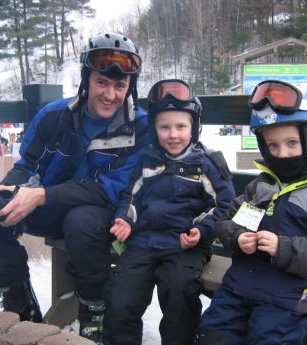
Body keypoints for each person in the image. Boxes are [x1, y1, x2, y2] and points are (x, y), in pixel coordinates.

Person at [0, 32, 148, 343]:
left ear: (130, 88)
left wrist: (41, 195)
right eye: (102, 82)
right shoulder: (53, 115)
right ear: (86, 80)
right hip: (49, 206)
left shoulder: (140, 127)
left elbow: (112, 189)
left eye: (120, 86)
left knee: (82, 220)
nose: (110, 94)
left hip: (105, 215)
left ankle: (94, 316)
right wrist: (11, 189)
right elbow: (27, 165)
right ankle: (20, 305)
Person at [197, 80, 307, 345]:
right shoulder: (261, 186)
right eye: (273, 146)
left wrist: (282, 247)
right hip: (238, 287)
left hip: (288, 296)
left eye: (291, 143)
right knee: (212, 335)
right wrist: (237, 237)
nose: (282, 154)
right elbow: (226, 221)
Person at [103, 79, 236, 345]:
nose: (173, 134)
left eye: (180, 126)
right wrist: (126, 219)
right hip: (144, 241)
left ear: (193, 127)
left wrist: (201, 231)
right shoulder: (146, 159)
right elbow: (130, 195)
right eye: (165, 127)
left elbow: (223, 205)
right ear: (154, 129)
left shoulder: (206, 164)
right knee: (121, 294)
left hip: (184, 245)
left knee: (180, 293)